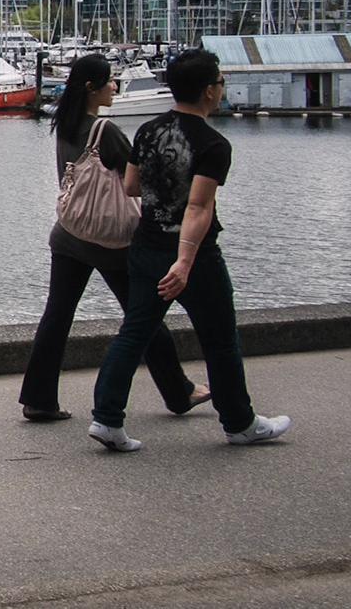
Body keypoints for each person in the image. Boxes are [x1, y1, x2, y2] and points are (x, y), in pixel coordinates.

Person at [88, 48, 292, 451]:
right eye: (219, 82)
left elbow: (131, 187)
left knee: (134, 334)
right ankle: (239, 422)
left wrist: (163, 189)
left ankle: (107, 419)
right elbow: (198, 208)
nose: (221, 89)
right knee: (219, 340)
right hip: (193, 257)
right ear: (208, 92)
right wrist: (184, 262)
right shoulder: (213, 144)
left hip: (145, 246)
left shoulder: (148, 131)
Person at [18, 54, 209, 421]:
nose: (114, 86)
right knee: (144, 314)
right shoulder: (105, 132)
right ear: (91, 87)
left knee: (57, 316)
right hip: (110, 241)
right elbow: (136, 185)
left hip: (70, 233)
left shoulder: (66, 124)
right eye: (109, 81)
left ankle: (39, 399)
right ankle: (179, 392)